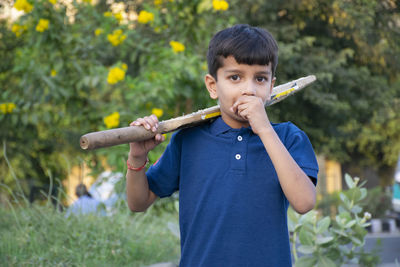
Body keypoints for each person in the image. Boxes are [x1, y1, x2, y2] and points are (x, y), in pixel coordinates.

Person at [126, 24, 319, 266]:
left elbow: (304, 202)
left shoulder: (289, 137)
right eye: (235, 77)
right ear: (213, 86)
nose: (249, 89)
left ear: (271, 87)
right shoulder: (188, 140)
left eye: (260, 78)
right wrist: (136, 158)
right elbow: (138, 202)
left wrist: (265, 129)